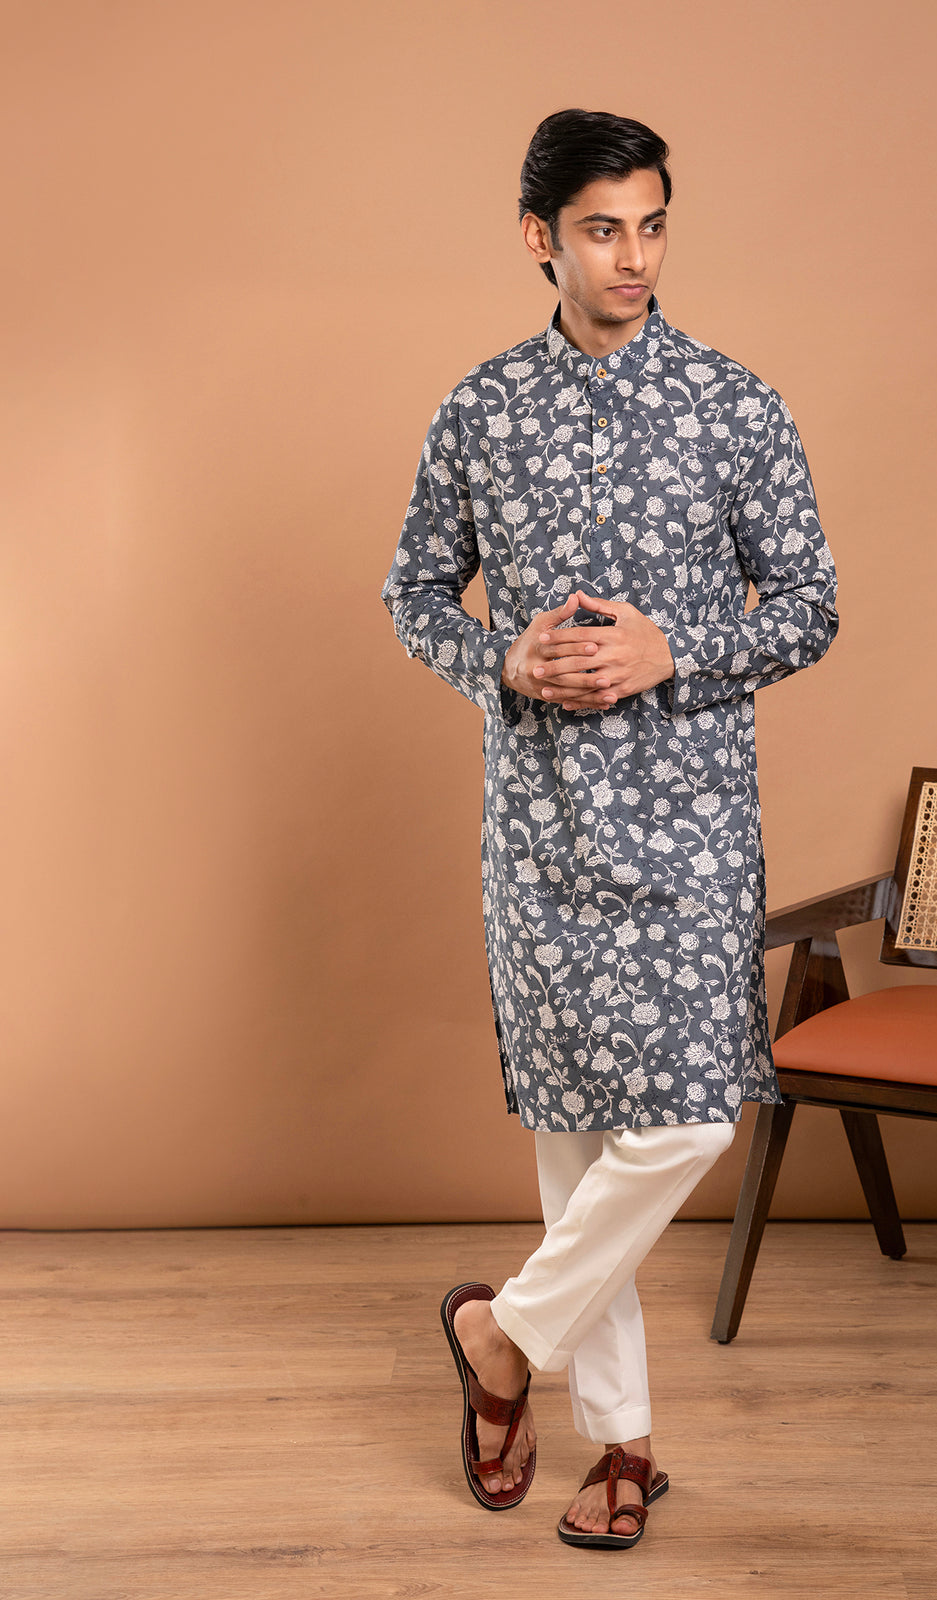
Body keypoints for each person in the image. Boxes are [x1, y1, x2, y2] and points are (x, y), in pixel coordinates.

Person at [381, 107, 839, 1549]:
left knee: (688, 1113)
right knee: (579, 1143)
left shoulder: (735, 405)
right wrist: (499, 659)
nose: (634, 256)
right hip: (540, 827)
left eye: (652, 225)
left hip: (692, 822)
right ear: (541, 238)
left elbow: (811, 607)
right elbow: (412, 593)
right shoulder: (480, 408)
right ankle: (623, 1447)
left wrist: (675, 650)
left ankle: (501, 1335)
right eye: (602, 229)